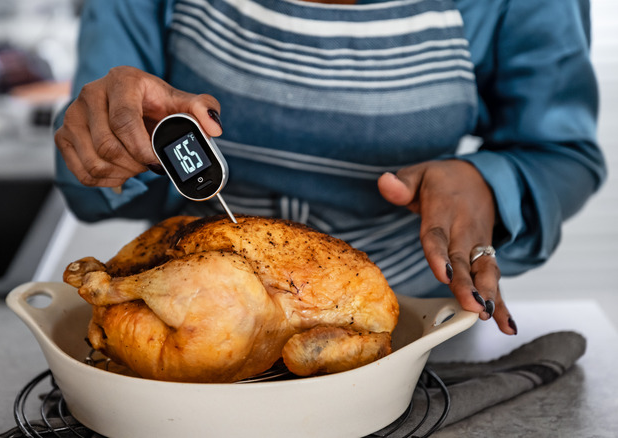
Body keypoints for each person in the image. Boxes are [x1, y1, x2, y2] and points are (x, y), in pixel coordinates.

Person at [53, 0, 607, 336]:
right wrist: (107, 139)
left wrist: (486, 182)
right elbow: (88, 175)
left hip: (408, 328)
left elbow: (560, 152)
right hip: (193, 317)